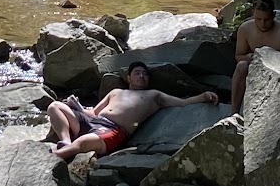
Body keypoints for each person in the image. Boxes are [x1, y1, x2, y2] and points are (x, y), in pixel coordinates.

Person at [47, 62, 220, 161]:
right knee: (55, 106)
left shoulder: (153, 95)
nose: (141, 76)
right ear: (128, 77)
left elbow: (182, 103)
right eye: (137, 73)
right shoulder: (116, 92)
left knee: (83, 141)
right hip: (93, 122)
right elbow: (93, 113)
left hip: (113, 131)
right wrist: (76, 106)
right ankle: (65, 141)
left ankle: (56, 156)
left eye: (145, 74)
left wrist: (203, 96)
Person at [231, 0, 280, 110]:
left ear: (274, 15)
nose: (262, 24)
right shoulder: (245, 29)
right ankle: (234, 112)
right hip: (254, 70)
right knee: (241, 66)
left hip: (279, 74)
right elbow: (238, 56)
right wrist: (249, 58)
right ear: (253, 13)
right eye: (258, 19)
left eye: (266, 19)